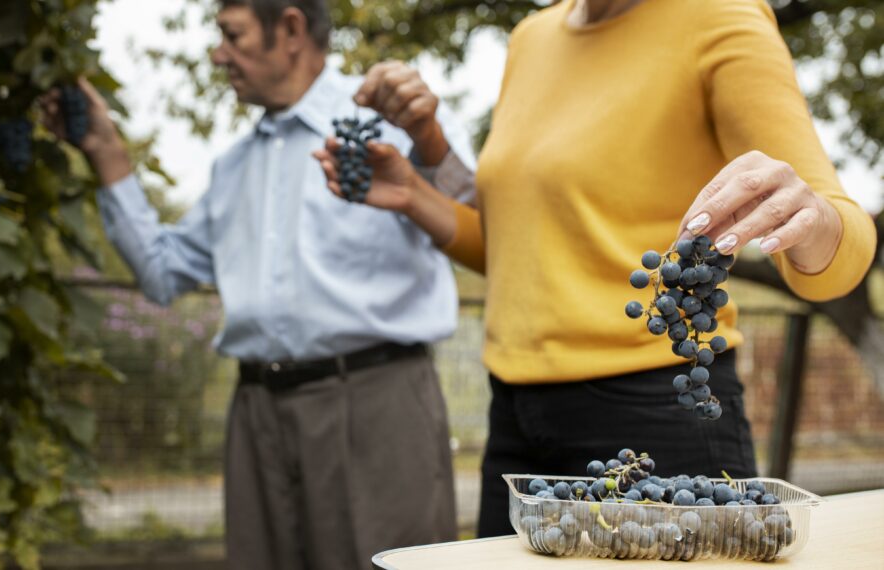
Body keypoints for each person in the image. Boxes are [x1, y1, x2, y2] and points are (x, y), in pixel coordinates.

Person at [314, 0, 877, 538]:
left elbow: (836, 251)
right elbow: (519, 252)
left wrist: (817, 220)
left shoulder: (718, 18)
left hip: (658, 409)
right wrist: (413, 194)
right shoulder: (531, 38)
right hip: (515, 417)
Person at [41, 1, 479, 567]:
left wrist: (429, 137)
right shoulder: (234, 168)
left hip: (375, 409)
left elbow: (475, 220)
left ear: (291, 29)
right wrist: (106, 151)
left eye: (231, 35)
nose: (217, 55)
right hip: (257, 416)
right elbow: (161, 273)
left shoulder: (391, 123)